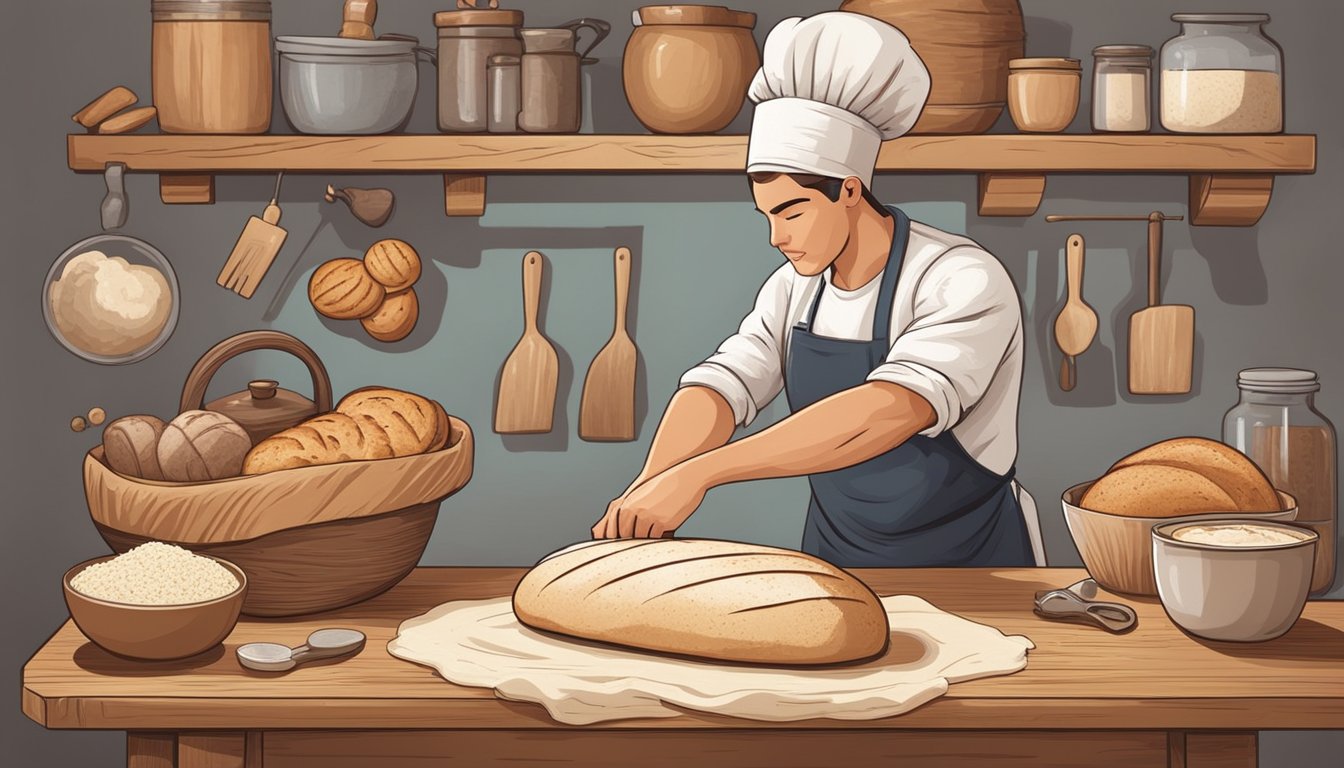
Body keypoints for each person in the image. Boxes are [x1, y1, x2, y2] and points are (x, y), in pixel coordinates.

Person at [591, 12, 1043, 568]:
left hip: (974, 568)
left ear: (849, 191)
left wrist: (702, 472)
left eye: (793, 212)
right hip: (834, 565)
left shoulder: (961, 278)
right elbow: (723, 385)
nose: (777, 237)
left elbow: (888, 411)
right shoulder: (794, 289)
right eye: (767, 216)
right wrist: (651, 485)